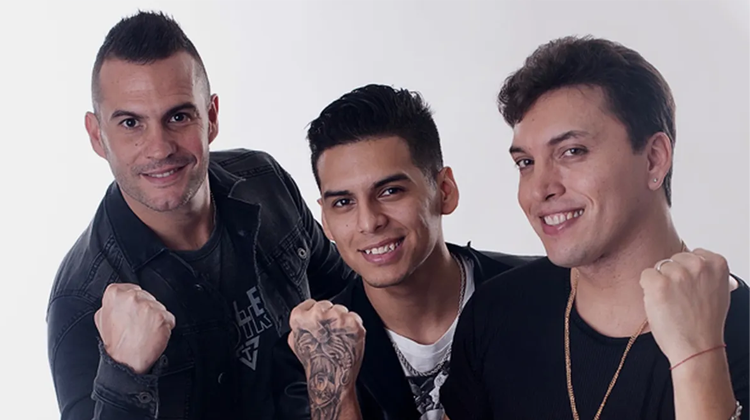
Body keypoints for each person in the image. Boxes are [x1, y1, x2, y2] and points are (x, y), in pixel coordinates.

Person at [46, 11, 355, 420]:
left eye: (178, 116)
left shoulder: (265, 183)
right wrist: (125, 374)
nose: (159, 148)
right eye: (131, 123)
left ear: (210, 117)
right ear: (97, 135)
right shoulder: (81, 297)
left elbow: (353, 296)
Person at [440, 35, 749, 419]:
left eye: (572, 152)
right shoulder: (496, 312)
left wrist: (699, 358)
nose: (539, 189)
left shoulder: (740, 334)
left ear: (654, 159)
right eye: (526, 163)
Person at [271, 84, 535, 420]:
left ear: (445, 191)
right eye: (344, 202)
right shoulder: (308, 354)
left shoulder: (542, 296)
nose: (369, 222)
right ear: (325, 220)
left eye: (390, 191)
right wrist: (336, 385)